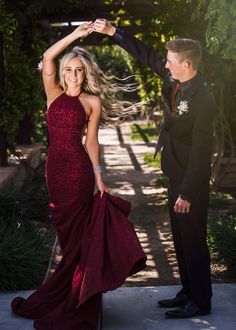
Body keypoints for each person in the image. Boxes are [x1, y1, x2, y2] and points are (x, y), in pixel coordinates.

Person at [11, 22, 146, 329]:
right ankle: (66, 292)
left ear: (86, 74)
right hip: (55, 172)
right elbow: (48, 57)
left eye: (79, 70)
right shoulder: (53, 93)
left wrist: (99, 179)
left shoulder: (92, 102)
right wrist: (75, 35)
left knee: (80, 239)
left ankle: (81, 299)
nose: (73, 74)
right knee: (65, 234)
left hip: (80, 171)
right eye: (69, 69)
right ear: (63, 73)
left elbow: (92, 142)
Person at [93, 18, 216, 319]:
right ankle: (187, 291)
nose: (166, 64)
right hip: (175, 170)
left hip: (192, 180)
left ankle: (201, 300)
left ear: (187, 65)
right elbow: (145, 53)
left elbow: (202, 152)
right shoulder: (174, 80)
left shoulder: (204, 98)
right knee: (180, 238)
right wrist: (114, 32)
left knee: (194, 240)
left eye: (172, 61)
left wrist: (187, 192)